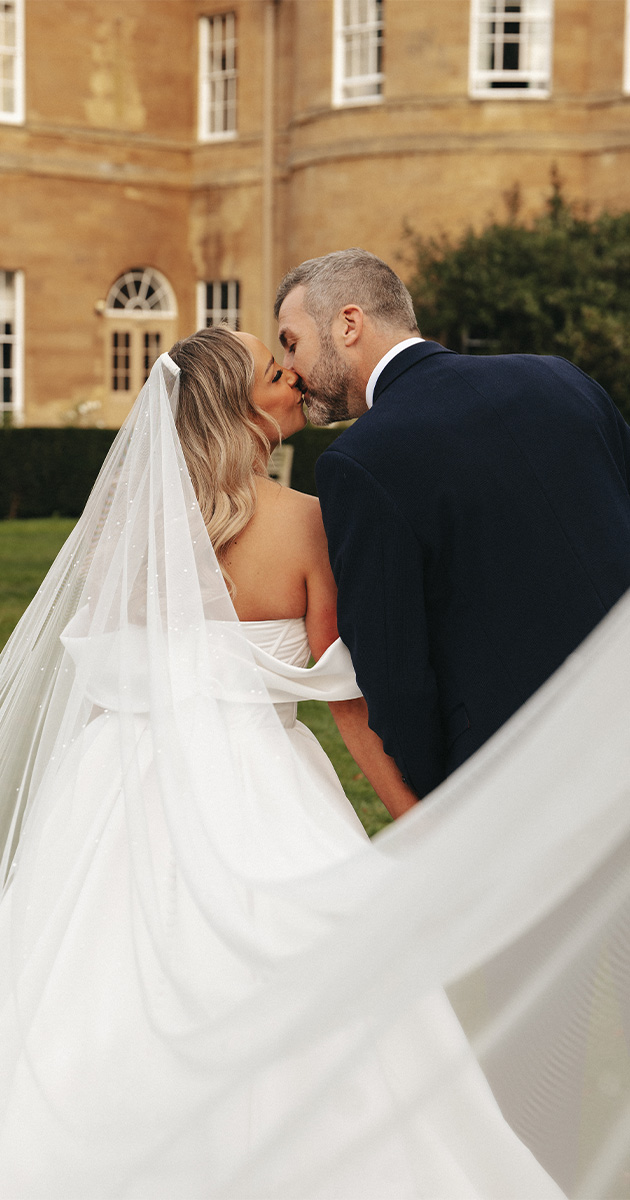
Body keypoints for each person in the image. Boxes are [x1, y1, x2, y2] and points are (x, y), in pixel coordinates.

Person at [0, 324, 628, 1199]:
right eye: (273, 368)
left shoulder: (119, 539)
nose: (293, 374)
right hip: (258, 784)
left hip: (117, 782)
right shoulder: (300, 523)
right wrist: (430, 824)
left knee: (91, 993)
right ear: (235, 404)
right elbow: (349, 701)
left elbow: (103, 687)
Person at [275, 248, 630, 799]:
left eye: (291, 342)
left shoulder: (360, 460)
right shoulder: (562, 379)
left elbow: (394, 677)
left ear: (349, 323)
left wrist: (444, 809)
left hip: (516, 775)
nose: (291, 370)